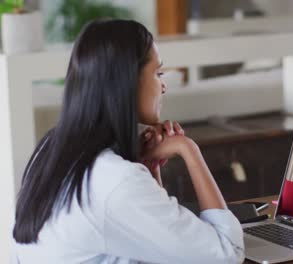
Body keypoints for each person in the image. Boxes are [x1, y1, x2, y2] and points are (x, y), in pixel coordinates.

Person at [12, 19, 244, 264]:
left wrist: (151, 169)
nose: (163, 86)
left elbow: (159, 246)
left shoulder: (51, 150)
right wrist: (190, 150)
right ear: (127, 82)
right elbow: (227, 253)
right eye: (158, 73)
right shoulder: (115, 179)